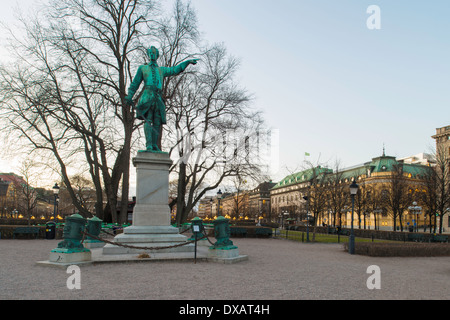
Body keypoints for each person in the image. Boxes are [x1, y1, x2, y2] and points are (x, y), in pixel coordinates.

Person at [125, 46, 198, 152]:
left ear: (157, 55)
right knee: (148, 119)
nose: (152, 55)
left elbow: (175, 70)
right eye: (150, 53)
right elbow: (135, 83)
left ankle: (154, 145)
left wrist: (187, 62)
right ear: (148, 55)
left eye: (154, 53)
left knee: (157, 121)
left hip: (158, 97)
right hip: (148, 95)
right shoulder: (143, 68)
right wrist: (130, 95)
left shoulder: (161, 70)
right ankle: (149, 145)